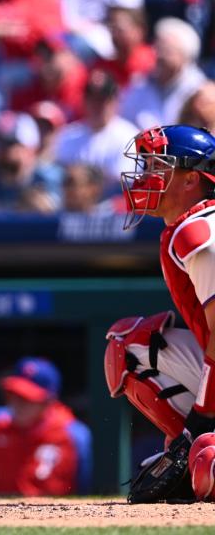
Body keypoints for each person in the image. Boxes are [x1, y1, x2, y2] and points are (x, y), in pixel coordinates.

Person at [108, 124, 215, 502]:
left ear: (190, 179)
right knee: (133, 344)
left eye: (158, 166)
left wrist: (201, 419)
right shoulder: (189, 226)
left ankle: (196, 447)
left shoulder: (199, 231)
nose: (145, 175)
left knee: (207, 463)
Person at [0, 358, 92, 496]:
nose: (18, 403)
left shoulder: (74, 435)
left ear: (48, 401)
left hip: (56, 516)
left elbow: (88, 487)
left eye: (27, 398)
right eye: (14, 394)